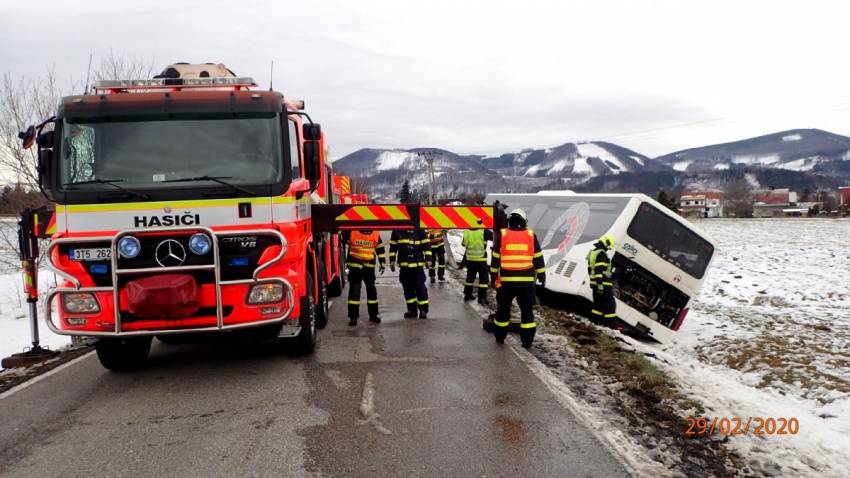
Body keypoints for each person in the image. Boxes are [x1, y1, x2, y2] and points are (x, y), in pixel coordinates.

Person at [489, 208, 545, 348]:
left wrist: (493, 277)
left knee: (503, 311)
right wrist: (542, 275)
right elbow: (538, 257)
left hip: (507, 283)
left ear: (510, 221)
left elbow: (495, 258)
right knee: (527, 313)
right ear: (524, 221)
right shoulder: (531, 235)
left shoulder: (503, 234)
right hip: (526, 284)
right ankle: (527, 342)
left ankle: (500, 337)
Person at [345, 229, 386, 326]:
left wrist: (382, 262)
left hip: (369, 268)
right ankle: (353, 317)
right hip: (355, 267)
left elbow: (380, 248)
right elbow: (341, 237)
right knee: (354, 293)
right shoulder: (352, 231)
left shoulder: (375, 233)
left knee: (371, 292)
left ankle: (373, 315)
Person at [389, 228, 431, 319]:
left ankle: (423, 310)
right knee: (408, 290)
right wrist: (391, 260)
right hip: (404, 267)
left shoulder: (420, 230)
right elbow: (393, 247)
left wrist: (428, 259)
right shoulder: (397, 230)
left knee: (421, 289)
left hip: (417, 267)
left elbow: (427, 246)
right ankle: (412, 311)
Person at [587, 234, 617, 326]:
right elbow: (598, 270)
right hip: (603, 285)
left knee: (598, 306)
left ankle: (594, 323)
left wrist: (594, 282)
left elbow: (589, 269)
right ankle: (611, 326)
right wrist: (600, 286)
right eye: (608, 246)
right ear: (605, 243)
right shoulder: (601, 254)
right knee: (610, 305)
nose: (608, 248)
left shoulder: (592, 252)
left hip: (595, 283)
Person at [461, 219, 493, 304]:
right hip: (481, 260)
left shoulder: (466, 231)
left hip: (470, 259)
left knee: (470, 278)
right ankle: (481, 298)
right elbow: (494, 237)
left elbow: (463, 244)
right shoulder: (484, 231)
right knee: (483, 280)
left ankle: (467, 295)